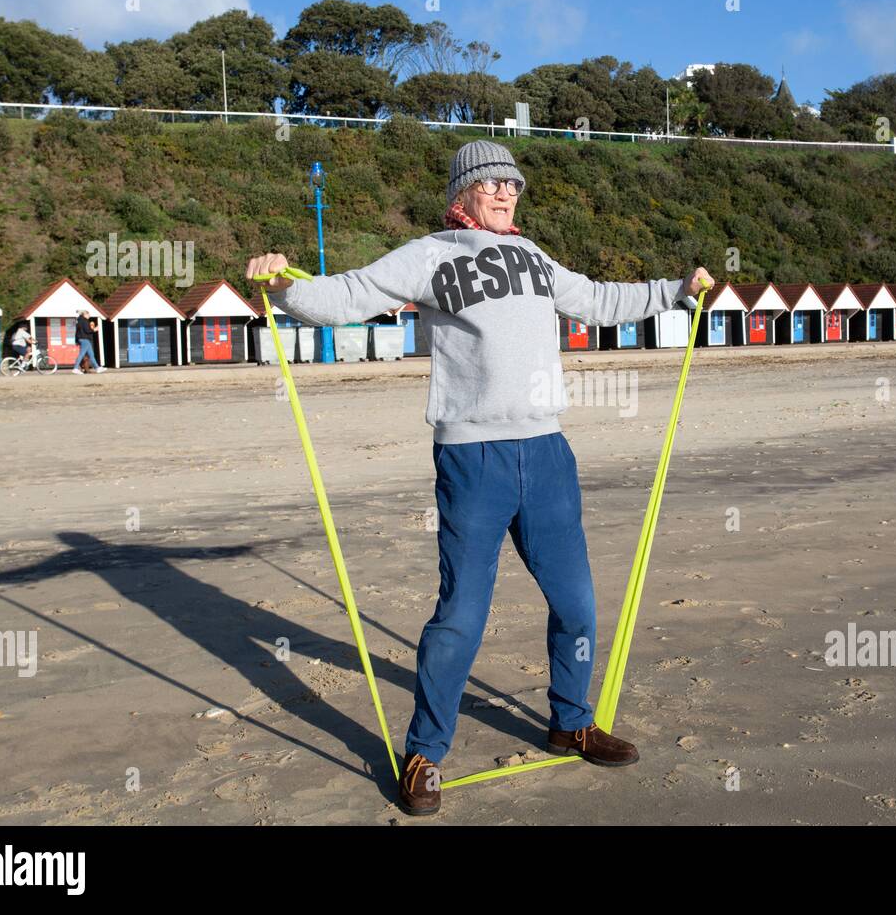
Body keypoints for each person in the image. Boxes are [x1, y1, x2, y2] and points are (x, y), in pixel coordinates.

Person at [248, 139, 714, 816]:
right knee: (462, 615)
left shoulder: (534, 257)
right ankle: (425, 755)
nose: (505, 193)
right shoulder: (429, 255)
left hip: (548, 455)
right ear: (461, 194)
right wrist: (283, 284)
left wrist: (675, 290)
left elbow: (596, 299)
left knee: (577, 604)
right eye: (491, 184)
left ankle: (571, 720)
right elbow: (344, 296)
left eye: (513, 185)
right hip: (474, 460)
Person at [72, 309, 104, 374]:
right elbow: (87, 330)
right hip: (85, 339)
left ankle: (97, 368)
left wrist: (76, 340)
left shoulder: (78, 321)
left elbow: (77, 332)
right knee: (82, 354)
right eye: (88, 314)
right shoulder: (85, 321)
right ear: (85, 314)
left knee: (91, 354)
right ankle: (75, 368)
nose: (89, 315)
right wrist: (94, 329)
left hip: (81, 339)